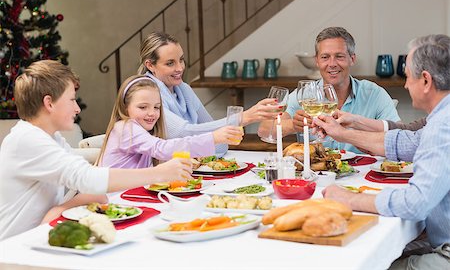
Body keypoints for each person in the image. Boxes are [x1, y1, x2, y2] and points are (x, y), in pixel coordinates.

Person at [0, 60, 192, 240]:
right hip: (16, 248)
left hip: (45, 236)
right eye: (72, 100)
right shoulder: (28, 140)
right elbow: (88, 179)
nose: (77, 109)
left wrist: (63, 207)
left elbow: (81, 174)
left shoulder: (51, 137)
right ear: (49, 103)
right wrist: (159, 173)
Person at [319, 34, 450, 269]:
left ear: (427, 81)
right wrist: (349, 129)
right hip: (438, 239)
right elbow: (409, 142)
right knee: (383, 247)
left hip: (446, 251)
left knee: (367, 261)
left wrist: (350, 199)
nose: (405, 84)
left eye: (408, 76)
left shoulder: (443, 127)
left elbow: (415, 204)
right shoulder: (443, 116)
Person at [137, 31, 281, 157]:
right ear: (150, 65)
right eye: (170, 63)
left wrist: (209, 141)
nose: (180, 68)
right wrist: (243, 118)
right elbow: (183, 133)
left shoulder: (183, 89)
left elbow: (219, 142)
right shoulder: (146, 93)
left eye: (181, 60)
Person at [259, 27, 400, 153]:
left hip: (363, 174)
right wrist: (293, 126)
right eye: (325, 57)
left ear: (352, 59)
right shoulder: (305, 95)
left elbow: (399, 135)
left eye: (339, 56)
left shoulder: (374, 93)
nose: (332, 64)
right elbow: (264, 130)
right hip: (317, 174)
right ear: (317, 61)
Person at [97, 74, 243, 168]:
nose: (151, 113)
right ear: (125, 107)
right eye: (142, 107)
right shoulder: (126, 128)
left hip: (130, 195)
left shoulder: (144, 131)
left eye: (157, 107)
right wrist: (213, 138)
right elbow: (162, 148)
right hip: (114, 200)